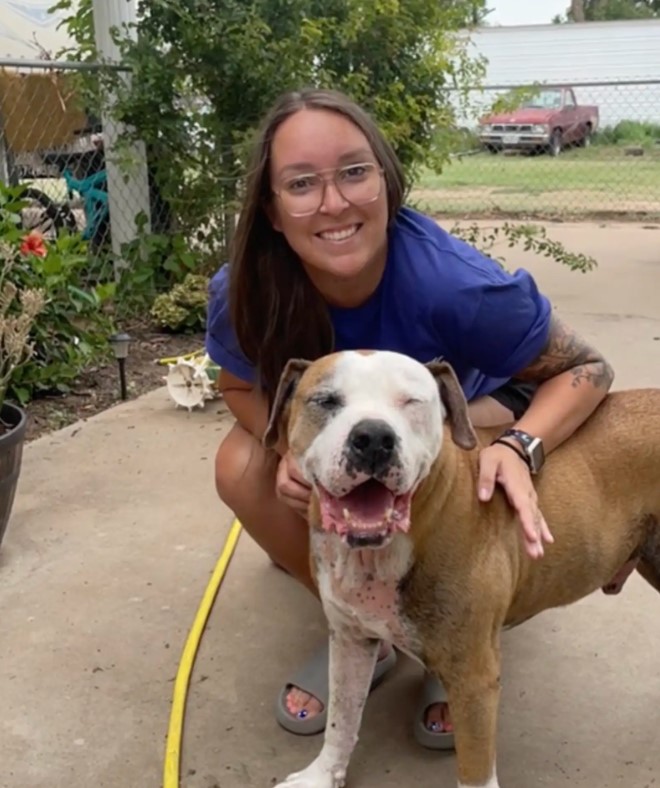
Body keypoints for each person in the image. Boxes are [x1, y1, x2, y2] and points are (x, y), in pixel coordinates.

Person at [206, 87, 614, 748]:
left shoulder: (454, 284)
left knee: (450, 455)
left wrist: (520, 443)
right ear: (273, 211)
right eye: (302, 183)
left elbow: (587, 369)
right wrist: (286, 449)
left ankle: (449, 637)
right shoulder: (245, 287)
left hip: (468, 410)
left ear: (389, 185)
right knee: (238, 464)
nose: (333, 202)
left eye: (354, 172)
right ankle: (360, 626)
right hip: (346, 427)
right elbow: (234, 384)